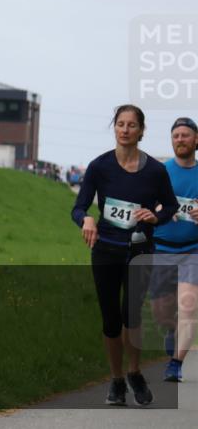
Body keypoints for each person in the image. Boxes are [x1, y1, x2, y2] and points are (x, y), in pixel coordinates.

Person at [72, 104, 179, 406]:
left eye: (132, 125)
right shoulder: (99, 167)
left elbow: (170, 206)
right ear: (115, 128)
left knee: (131, 316)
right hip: (105, 250)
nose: (125, 129)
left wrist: (156, 217)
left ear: (141, 130)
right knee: (110, 320)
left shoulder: (156, 171)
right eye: (120, 124)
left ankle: (135, 372)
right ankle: (117, 379)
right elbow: (79, 207)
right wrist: (87, 219)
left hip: (139, 251)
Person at [149, 117, 198, 382]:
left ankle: (176, 364)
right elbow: (145, 204)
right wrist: (159, 209)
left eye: (185, 135)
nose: (180, 139)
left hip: (194, 249)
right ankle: (170, 330)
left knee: (188, 306)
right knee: (161, 310)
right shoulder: (160, 172)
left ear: (196, 140)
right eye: (176, 135)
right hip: (162, 247)